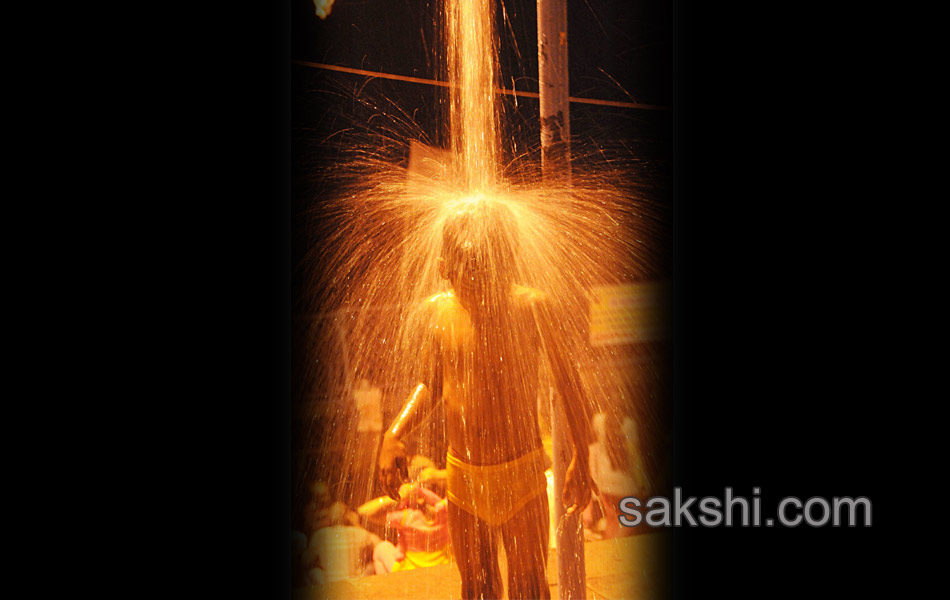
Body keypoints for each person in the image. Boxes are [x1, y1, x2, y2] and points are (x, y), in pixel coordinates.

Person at [378, 199, 595, 599]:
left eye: (489, 271)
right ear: (444, 268)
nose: (479, 284)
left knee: (529, 583)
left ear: (509, 261)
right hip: (464, 477)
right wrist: (394, 433)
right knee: (476, 584)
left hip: (521, 473)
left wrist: (583, 455)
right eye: (468, 273)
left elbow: (569, 385)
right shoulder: (440, 313)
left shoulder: (531, 307)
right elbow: (431, 383)